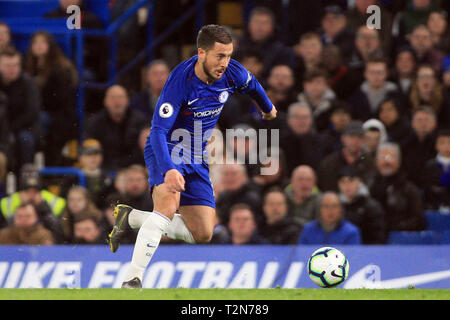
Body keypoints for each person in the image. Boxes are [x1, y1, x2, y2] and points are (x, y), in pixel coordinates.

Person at [107, 25, 277, 288]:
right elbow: (158, 131)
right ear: (201, 53)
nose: (225, 63)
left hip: (197, 153)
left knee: (203, 233)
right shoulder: (180, 82)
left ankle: (131, 218)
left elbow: (252, 85)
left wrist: (267, 108)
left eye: (229, 55)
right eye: (219, 56)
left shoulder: (232, 72)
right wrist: (168, 169)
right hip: (168, 149)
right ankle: (133, 278)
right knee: (166, 207)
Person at [23, 31, 78, 166]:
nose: (39, 46)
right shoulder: (27, 66)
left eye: (43, 42)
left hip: (56, 115)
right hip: (35, 112)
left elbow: (60, 99)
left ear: (50, 45)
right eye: (35, 42)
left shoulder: (60, 68)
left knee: (37, 124)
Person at [84, 85, 148, 171]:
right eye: (112, 98)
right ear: (105, 102)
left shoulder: (140, 120)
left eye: (120, 97)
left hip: (135, 169)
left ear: (127, 101)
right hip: (104, 169)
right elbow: (88, 145)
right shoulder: (95, 122)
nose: (117, 102)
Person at [0, 46, 41, 172]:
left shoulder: (28, 83)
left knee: (26, 139)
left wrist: (11, 128)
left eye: (16, 65)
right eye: (8, 65)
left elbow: (32, 113)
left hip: (21, 127)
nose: (12, 69)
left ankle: (24, 179)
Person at [370, 142, 426, 232]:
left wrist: (393, 228)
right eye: (383, 157)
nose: (387, 161)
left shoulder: (410, 190)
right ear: (376, 162)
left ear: (399, 162)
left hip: (401, 240)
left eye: (391, 157)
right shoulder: (369, 188)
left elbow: (418, 220)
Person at [235, 6, 295, 79]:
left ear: (272, 27)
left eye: (264, 23)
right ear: (249, 25)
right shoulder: (236, 47)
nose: (260, 27)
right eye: (256, 22)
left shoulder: (282, 52)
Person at [317, 120, 376, 192]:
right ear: (343, 138)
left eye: (359, 137)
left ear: (363, 140)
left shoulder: (367, 161)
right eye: (351, 136)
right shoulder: (330, 162)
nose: (355, 141)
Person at [337, 166, 387, 244]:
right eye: (343, 182)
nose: (347, 185)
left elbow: (378, 237)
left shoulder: (371, 207)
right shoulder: (336, 206)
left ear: (358, 182)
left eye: (351, 180)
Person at [297, 192, 362, 245]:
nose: (330, 210)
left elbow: (353, 257)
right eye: (326, 206)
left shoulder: (351, 232)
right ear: (320, 209)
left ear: (340, 209)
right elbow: (302, 254)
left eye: (334, 206)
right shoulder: (308, 230)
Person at [349, 56, 400, 122]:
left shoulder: (396, 95)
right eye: (372, 72)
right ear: (365, 74)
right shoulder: (356, 97)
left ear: (386, 74)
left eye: (379, 72)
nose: (376, 76)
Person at [281, 103, 325, 173]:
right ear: (289, 120)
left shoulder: (322, 142)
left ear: (311, 120)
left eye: (305, 117)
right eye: (297, 117)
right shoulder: (280, 142)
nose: (302, 121)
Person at [402, 107, 438, 187]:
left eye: (427, 120)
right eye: (419, 120)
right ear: (413, 123)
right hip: (409, 186)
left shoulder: (440, 144)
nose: (423, 124)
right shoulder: (405, 144)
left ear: (434, 123)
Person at [422, 129, 450, 211]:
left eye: (449, 142)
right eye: (442, 143)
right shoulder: (430, 166)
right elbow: (428, 189)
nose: (447, 146)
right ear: (436, 146)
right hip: (435, 207)